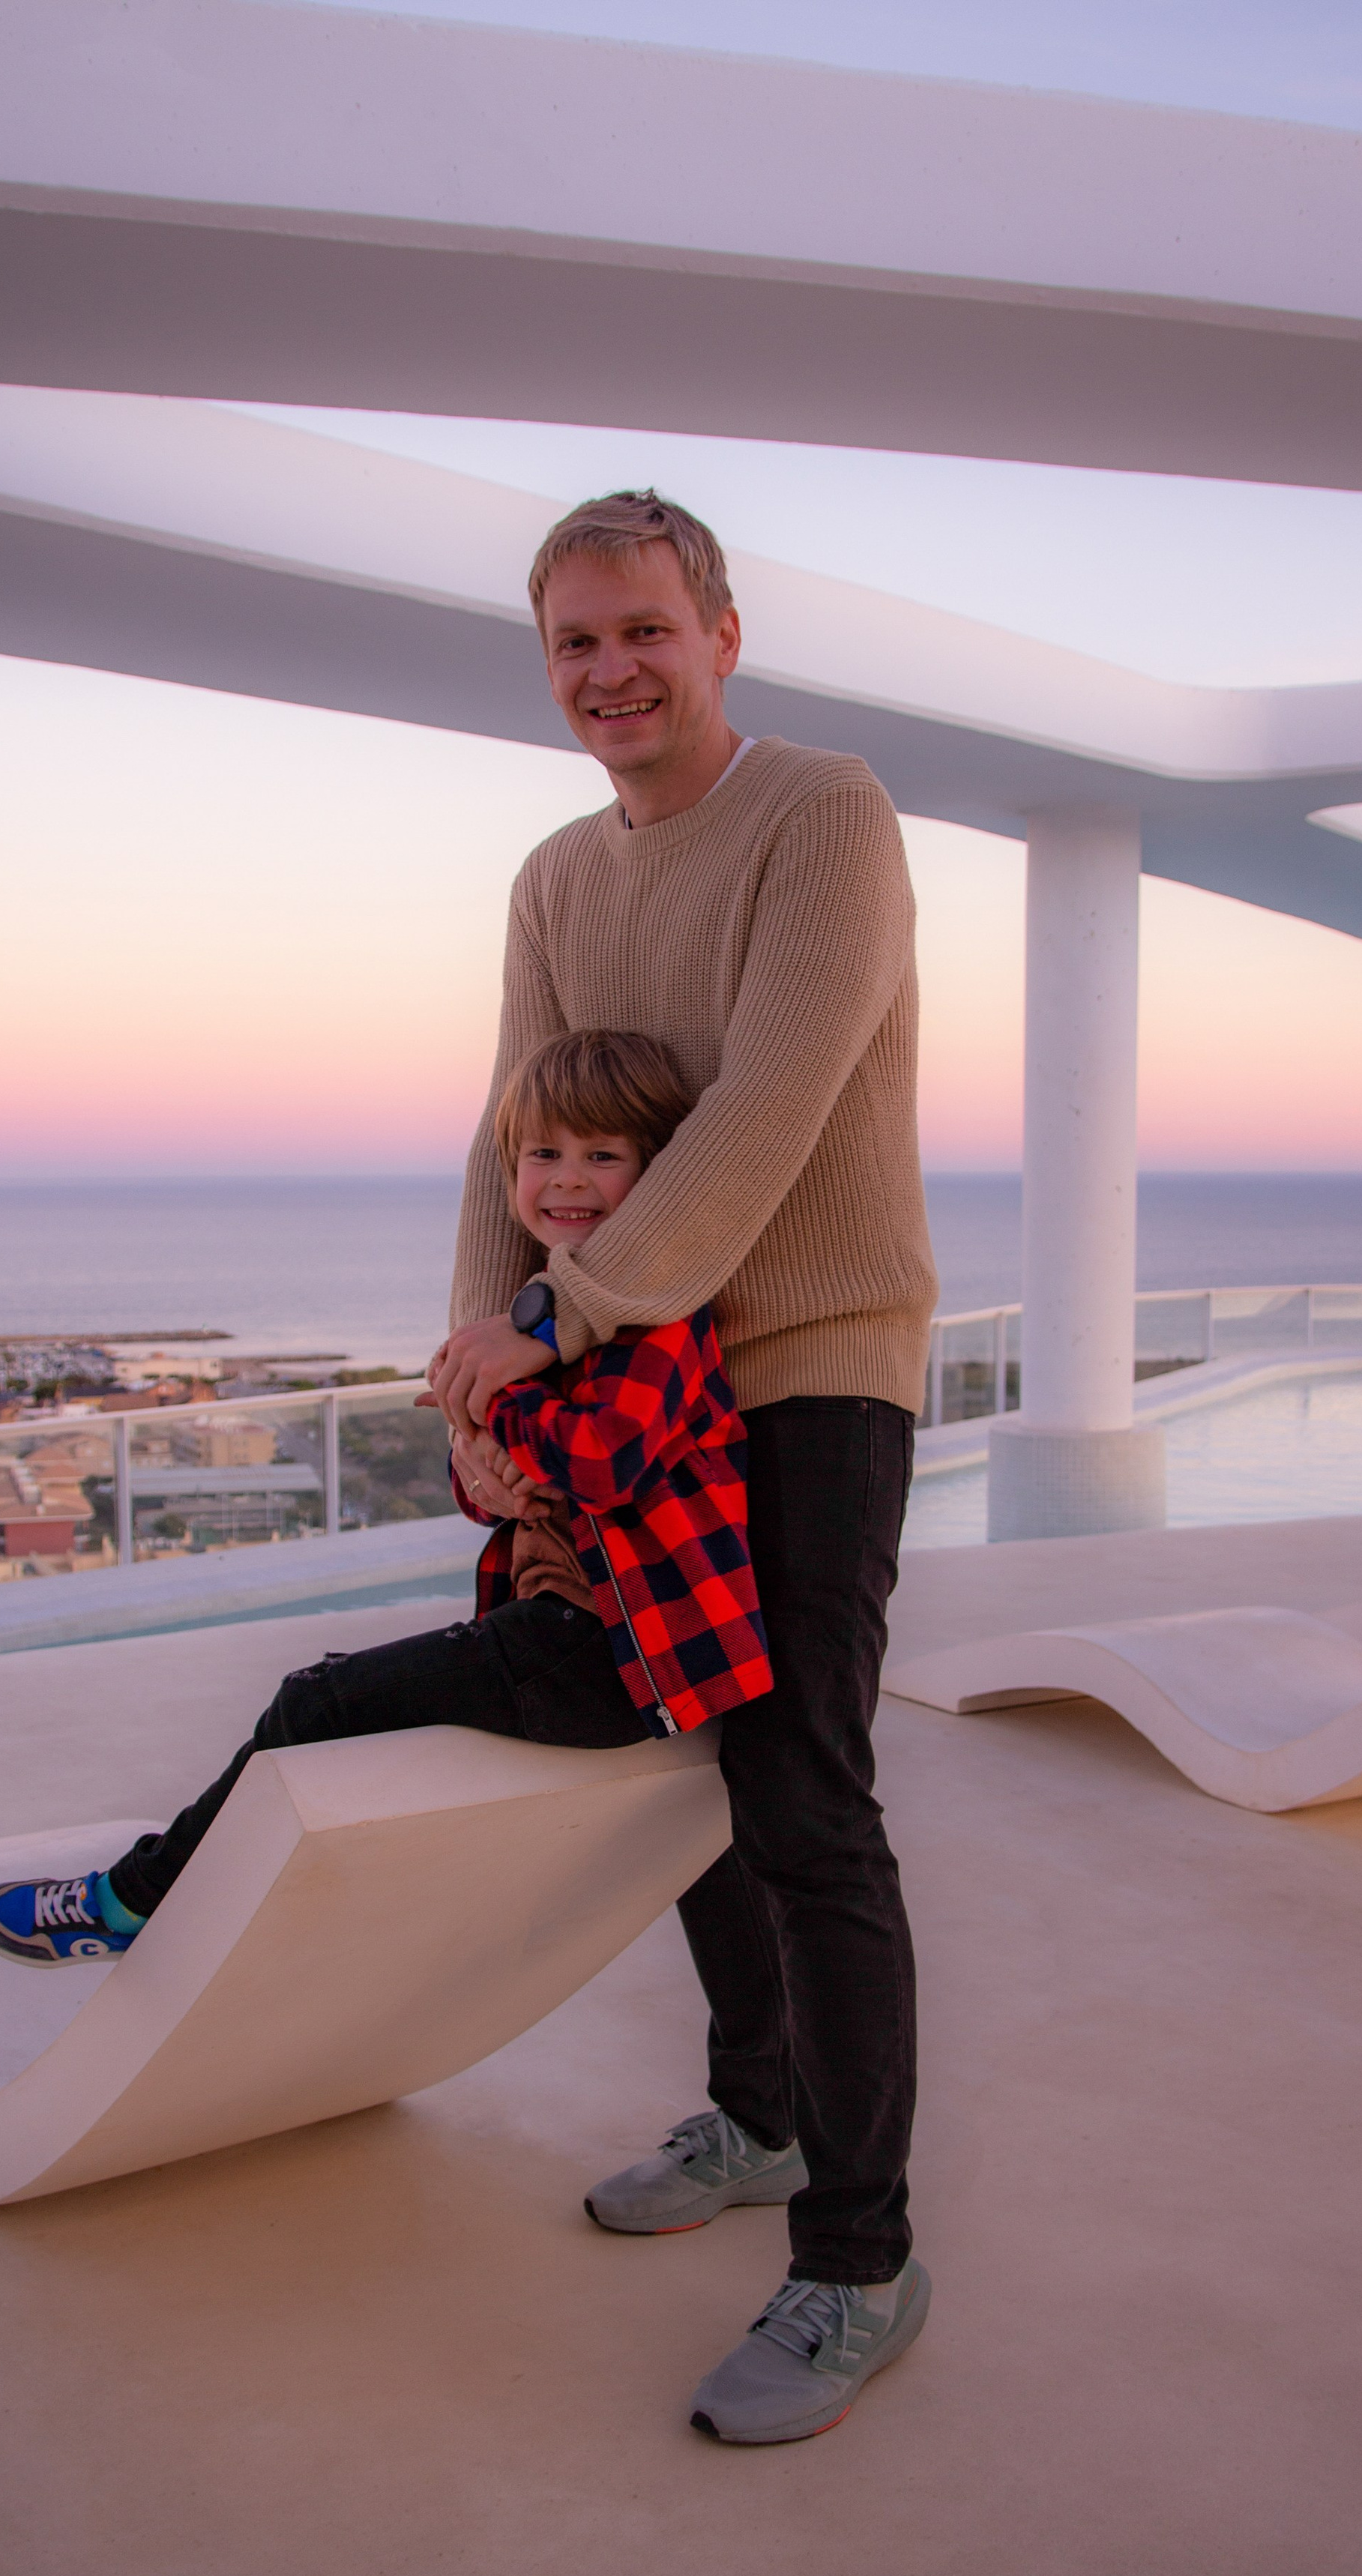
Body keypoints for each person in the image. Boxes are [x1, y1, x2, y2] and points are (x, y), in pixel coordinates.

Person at [430, 490, 937, 2449]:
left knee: (805, 1791)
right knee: (680, 1751)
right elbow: (514, 1137)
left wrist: (561, 1324)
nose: (610, 671)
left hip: (806, 1358)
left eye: (643, 629)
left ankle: (860, 2259)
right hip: (627, 1382)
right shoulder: (559, 879)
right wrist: (484, 1396)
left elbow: (771, 1105)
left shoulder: (826, 813)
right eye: (574, 641)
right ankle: (756, 2109)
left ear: (722, 632)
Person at [0, 1026, 773, 1961]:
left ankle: (131, 1903)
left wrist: (503, 1400)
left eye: (604, 1156)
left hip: (615, 1654)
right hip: (568, 1634)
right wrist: (499, 1480)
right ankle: (193, 1901)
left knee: (314, 1704)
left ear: (659, 1178)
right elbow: (505, 1495)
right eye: (543, 1154)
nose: (567, 1179)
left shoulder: (655, 1323)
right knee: (332, 1708)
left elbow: (595, 1462)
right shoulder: (545, 1320)